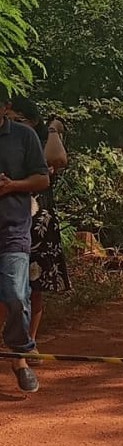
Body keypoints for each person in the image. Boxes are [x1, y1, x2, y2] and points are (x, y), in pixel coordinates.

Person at [6, 97, 70, 358]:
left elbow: (56, 160)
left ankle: (28, 344)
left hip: (38, 224)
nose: (12, 124)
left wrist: (52, 128)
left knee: (35, 286)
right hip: (8, 220)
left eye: (19, 120)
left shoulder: (39, 143)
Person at [0, 92, 50, 393]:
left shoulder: (24, 136)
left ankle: (20, 354)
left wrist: (11, 186)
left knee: (16, 296)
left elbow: (43, 179)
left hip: (13, 230)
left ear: (5, 108)